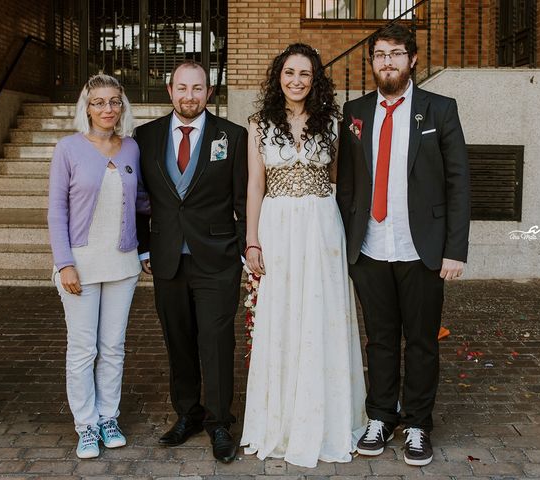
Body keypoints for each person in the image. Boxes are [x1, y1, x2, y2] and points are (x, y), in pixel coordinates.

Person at [336, 23, 471, 466]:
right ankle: (380, 416)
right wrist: (345, 244)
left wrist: (455, 249)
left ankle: (417, 424)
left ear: (412, 59)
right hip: (370, 248)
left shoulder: (439, 110)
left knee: (421, 341)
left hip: (423, 248)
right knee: (379, 338)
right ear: (371, 61)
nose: (387, 62)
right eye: (379, 54)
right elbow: (347, 186)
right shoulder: (354, 112)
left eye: (396, 53)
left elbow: (459, 183)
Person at [240, 43, 367, 468]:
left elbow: (338, 180)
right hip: (276, 226)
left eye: (305, 74)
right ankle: (280, 422)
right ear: (279, 76)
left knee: (321, 314)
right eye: (290, 72)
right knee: (282, 316)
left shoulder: (332, 123)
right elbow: (255, 185)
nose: (296, 81)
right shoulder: (258, 125)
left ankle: (326, 419)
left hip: (320, 225)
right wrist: (253, 240)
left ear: (316, 80)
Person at [134, 60, 248, 464]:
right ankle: (189, 414)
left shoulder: (233, 137)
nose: (189, 96)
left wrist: (243, 247)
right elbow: (139, 201)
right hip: (166, 259)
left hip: (217, 259)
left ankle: (219, 422)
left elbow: (242, 200)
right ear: (169, 90)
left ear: (209, 92)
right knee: (177, 341)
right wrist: (144, 247)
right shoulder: (144, 137)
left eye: (197, 88)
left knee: (216, 341)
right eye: (182, 88)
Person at [48, 74, 150, 459]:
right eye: (98, 102)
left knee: (113, 347)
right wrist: (64, 264)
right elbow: (56, 210)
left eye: (113, 101)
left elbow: (141, 201)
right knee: (82, 349)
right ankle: (86, 425)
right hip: (81, 266)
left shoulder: (131, 150)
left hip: (122, 264)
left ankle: (109, 416)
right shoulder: (68, 149)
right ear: (86, 108)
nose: (107, 109)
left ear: (122, 107)